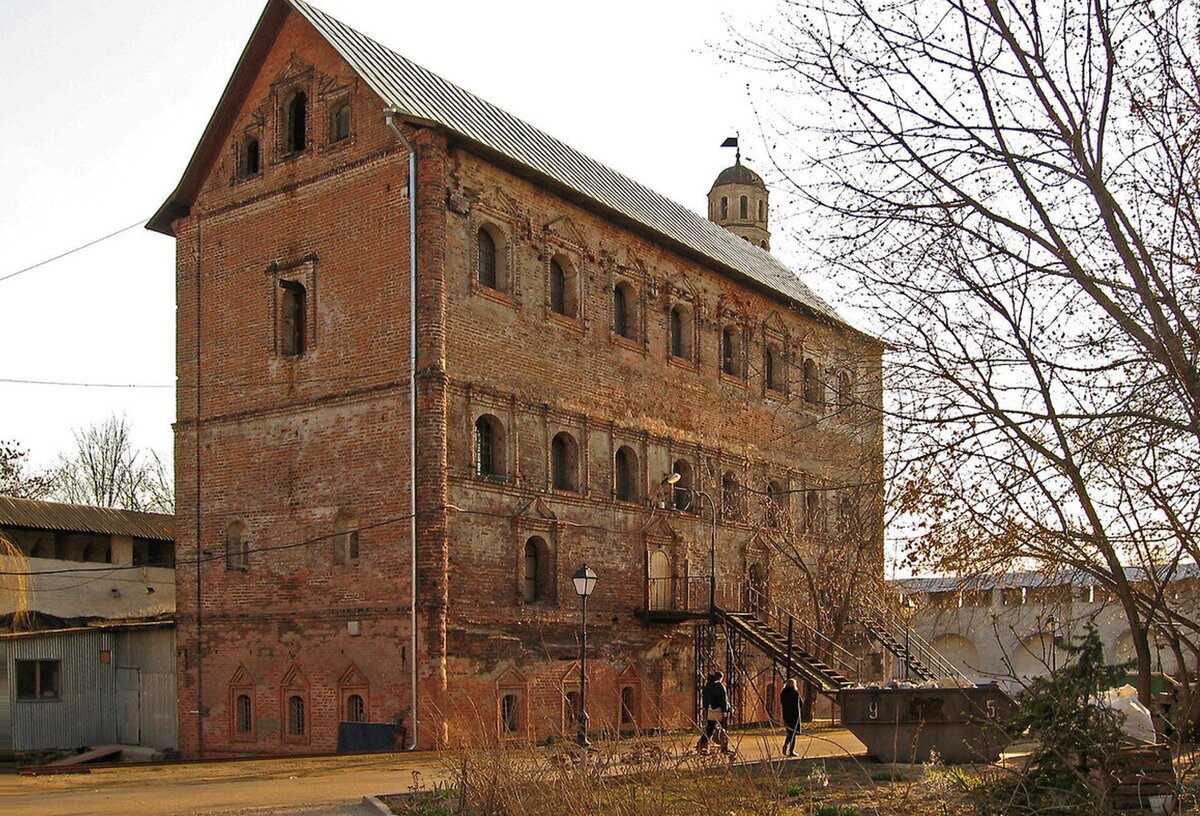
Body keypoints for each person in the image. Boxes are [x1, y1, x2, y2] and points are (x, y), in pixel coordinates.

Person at [698, 671, 730, 752]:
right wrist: (725, 710)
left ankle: (702, 744)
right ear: (720, 678)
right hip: (719, 711)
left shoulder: (708, 686)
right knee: (724, 728)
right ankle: (723, 746)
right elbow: (723, 699)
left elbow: (705, 699)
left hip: (710, 711)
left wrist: (706, 708)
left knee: (710, 728)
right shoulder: (720, 686)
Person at [780, 678, 802, 756]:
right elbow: (800, 704)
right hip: (794, 715)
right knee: (793, 733)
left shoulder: (783, 693)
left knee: (790, 732)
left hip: (786, 715)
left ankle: (785, 746)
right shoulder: (795, 693)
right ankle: (791, 750)